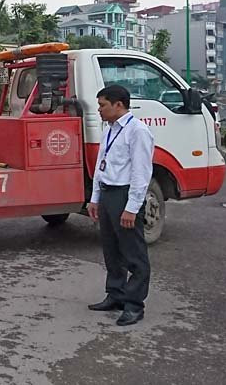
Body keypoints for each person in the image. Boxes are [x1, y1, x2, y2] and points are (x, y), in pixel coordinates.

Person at [86, 84, 155, 327]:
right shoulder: (109, 129)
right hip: (107, 193)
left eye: (102, 105)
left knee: (133, 252)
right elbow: (100, 165)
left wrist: (132, 207)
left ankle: (134, 304)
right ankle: (115, 294)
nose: (99, 109)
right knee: (112, 250)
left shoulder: (137, 131)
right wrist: (95, 198)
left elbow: (141, 173)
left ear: (118, 104)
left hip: (124, 195)